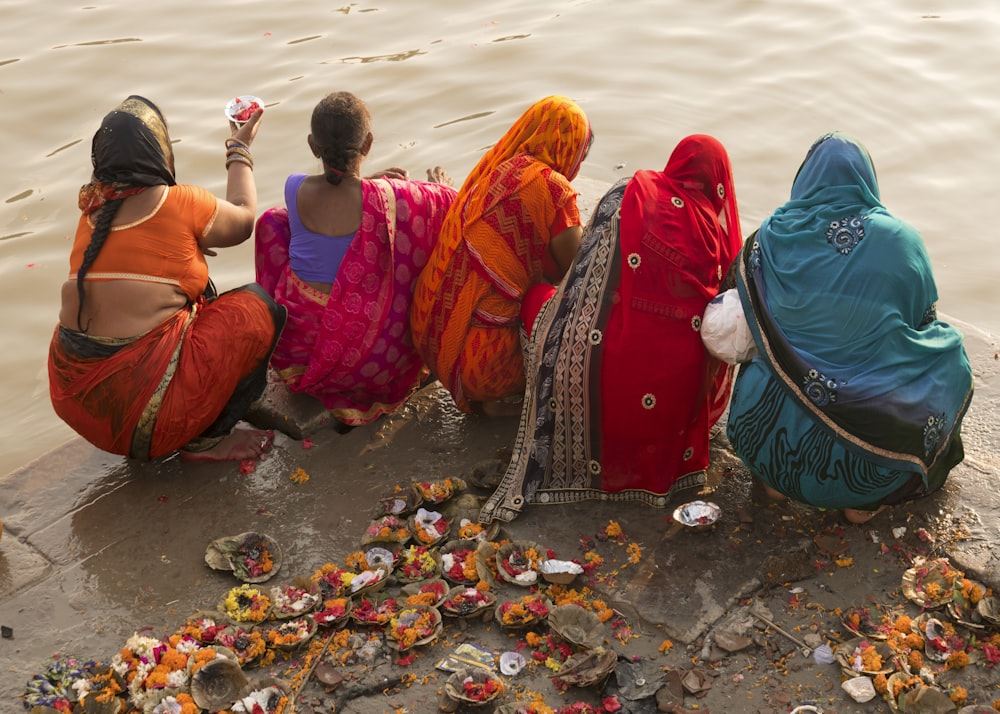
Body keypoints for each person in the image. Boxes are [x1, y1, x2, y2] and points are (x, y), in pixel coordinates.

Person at [480, 134, 742, 524]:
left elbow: (578, 284)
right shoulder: (714, 233)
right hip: (673, 400)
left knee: (539, 297)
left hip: (595, 385)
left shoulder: (627, 194)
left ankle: (532, 398)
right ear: (721, 186)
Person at [723, 131, 973, 524]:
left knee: (763, 335)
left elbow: (732, 312)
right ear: (867, 180)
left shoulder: (770, 236)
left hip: (760, 439)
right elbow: (922, 326)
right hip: (864, 469)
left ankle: (773, 480)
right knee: (951, 359)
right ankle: (861, 503)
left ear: (804, 178)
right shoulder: (901, 241)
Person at [48, 95, 286, 462]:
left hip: (82, 410)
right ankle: (206, 440)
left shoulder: (92, 214)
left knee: (194, 290)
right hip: (147, 422)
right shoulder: (179, 203)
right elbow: (242, 220)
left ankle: (164, 408)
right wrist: (239, 148)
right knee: (257, 309)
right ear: (160, 152)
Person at [254, 91, 457, 426]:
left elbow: (339, 191)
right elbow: (448, 202)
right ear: (368, 143)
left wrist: (373, 179)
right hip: (372, 363)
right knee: (417, 234)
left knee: (273, 222)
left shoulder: (295, 188)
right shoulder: (391, 197)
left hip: (301, 352)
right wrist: (439, 186)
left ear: (312, 146)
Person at [409, 95, 593, 416]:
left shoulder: (500, 166)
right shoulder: (553, 189)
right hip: (482, 368)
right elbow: (583, 271)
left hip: (432, 335)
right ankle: (499, 401)